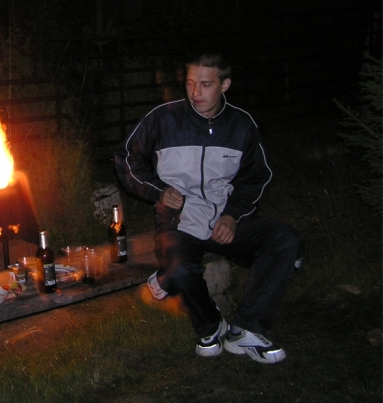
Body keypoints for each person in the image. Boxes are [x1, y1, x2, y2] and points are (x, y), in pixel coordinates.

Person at [113, 53, 301, 364]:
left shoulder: (241, 124)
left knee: (284, 239)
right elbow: (126, 158)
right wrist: (159, 191)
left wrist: (233, 215)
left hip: (225, 221)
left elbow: (256, 177)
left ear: (225, 85)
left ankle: (247, 329)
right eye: (190, 83)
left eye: (205, 84)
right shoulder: (164, 118)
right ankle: (210, 326)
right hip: (178, 223)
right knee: (180, 266)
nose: (195, 93)